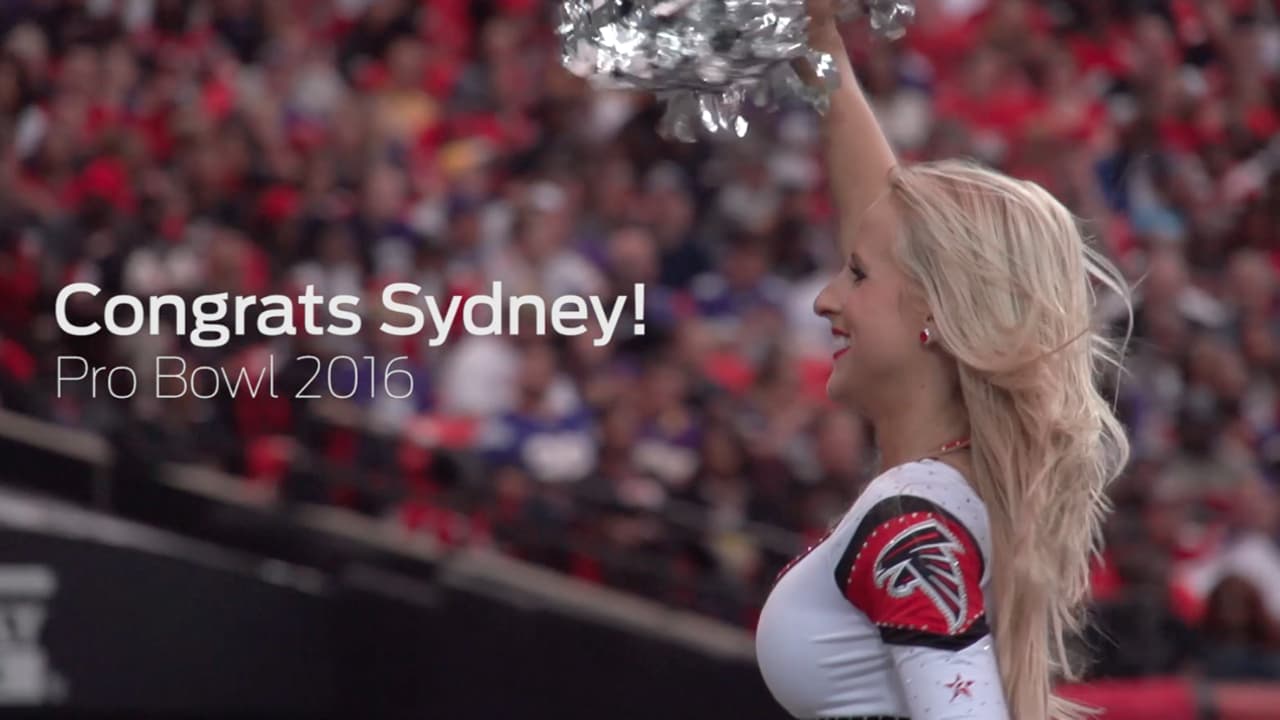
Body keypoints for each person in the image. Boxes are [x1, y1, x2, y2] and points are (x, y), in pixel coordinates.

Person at [753, 2, 1132, 719]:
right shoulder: (953, 487)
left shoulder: (915, 522)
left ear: (936, 315)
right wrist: (818, 43)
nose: (824, 301)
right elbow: (888, 227)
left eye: (855, 275)